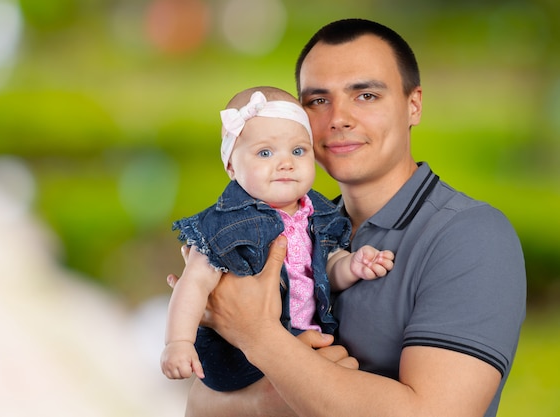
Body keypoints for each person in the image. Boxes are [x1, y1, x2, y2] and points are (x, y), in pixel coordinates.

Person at [169, 18, 527, 417]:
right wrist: (264, 390)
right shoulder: (297, 228)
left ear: (414, 104)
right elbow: (199, 405)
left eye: (366, 95)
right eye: (318, 101)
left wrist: (257, 335)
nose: (339, 118)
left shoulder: (469, 236)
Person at [161, 86, 395, 392]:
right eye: (265, 153)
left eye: (298, 151)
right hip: (238, 354)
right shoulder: (226, 225)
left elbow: (324, 271)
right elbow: (193, 283)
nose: (285, 163)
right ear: (231, 166)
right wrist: (178, 342)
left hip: (301, 340)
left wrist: (351, 265)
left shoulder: (319, 214)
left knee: (345, 379)